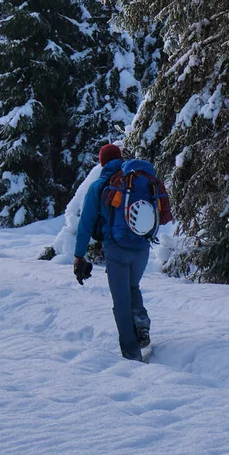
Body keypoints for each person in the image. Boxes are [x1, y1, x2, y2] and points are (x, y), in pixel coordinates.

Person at [73, 143, 171, 361]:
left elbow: (85, 225)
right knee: (132, 286)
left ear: (102, 162)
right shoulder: (136, 181)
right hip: (142, 247)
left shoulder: (99, 186)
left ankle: (131, 356)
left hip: (116, 249)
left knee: (121, 302)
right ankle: (141, 322)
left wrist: (79, 255)